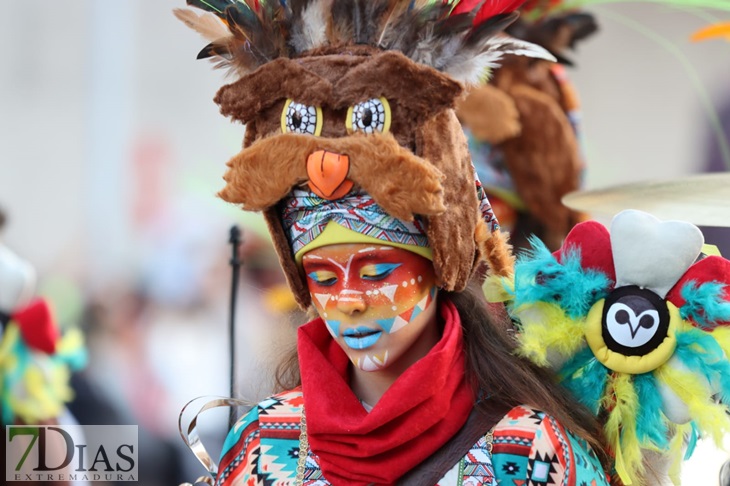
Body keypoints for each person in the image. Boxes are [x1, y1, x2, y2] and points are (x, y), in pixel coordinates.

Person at [176, 1, 615, 484]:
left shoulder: (532, 452)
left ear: (440, 264)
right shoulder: (262, 442)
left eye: (376, 271)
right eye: (321, 277)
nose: (348, 301)